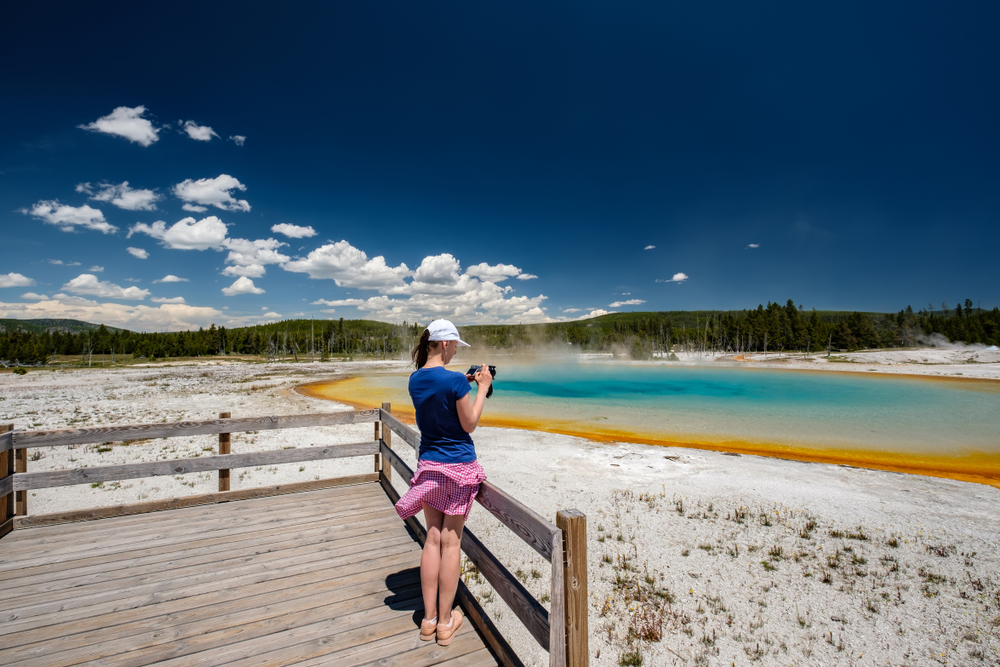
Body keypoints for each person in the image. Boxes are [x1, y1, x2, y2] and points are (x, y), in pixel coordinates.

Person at [394, 319, 493, 646]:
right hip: (459, 468)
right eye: (454, 346)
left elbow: (437, 401)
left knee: (432, 539)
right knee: (451, 543)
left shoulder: (415, 380)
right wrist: (479, 388)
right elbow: (469, 423)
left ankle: (429, 620)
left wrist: (459, 383)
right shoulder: (455, 382)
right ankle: (447, 623)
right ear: (447, 344)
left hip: (429, 467)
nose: (454, 352)